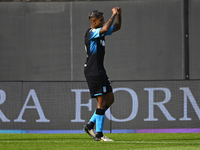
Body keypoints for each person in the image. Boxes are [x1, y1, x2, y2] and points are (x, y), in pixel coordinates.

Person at [83, 7, 122, 141]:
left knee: (110, 99)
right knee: (101, 101)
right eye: (101, 19)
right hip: (93, 70)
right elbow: (105, 29)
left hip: (100, 70)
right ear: (93, 21)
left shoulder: (100, 32)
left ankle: (90, 125)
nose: (104, 21)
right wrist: (113, 14)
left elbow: (117, 27)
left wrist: (118, 16)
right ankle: (99, 135)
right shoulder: (91, 32)